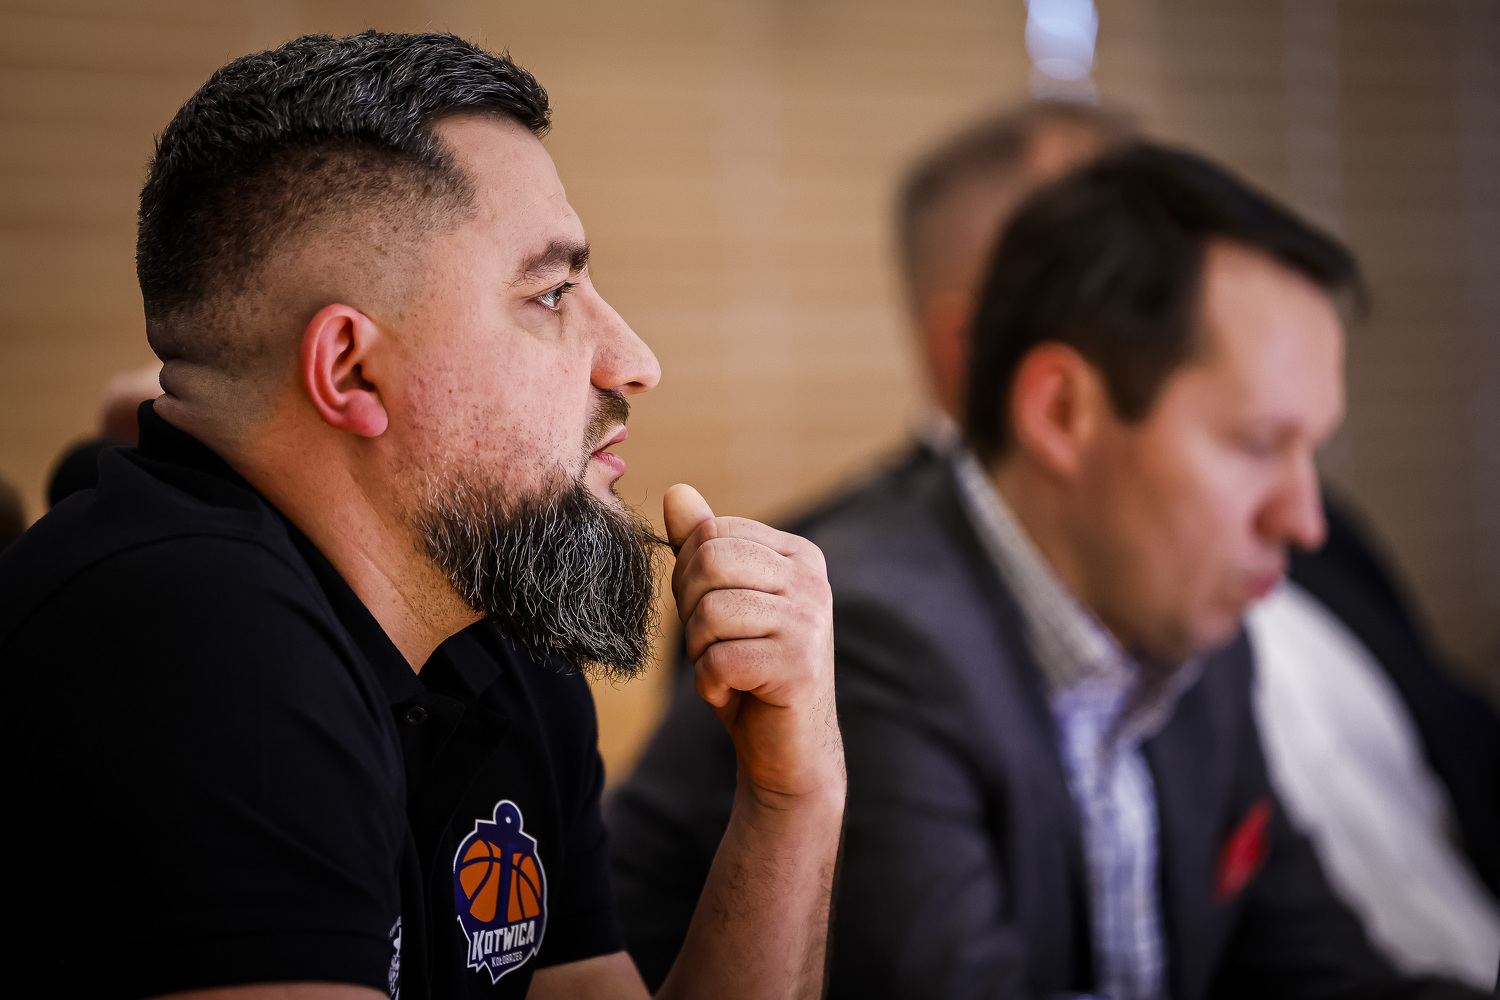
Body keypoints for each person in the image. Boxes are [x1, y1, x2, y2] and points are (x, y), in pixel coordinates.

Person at [0, 31, 845, 1000]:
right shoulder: (193, 642)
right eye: (552, 293)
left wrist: (792, 797)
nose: (635, 361)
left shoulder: (490, 624)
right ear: (351, 370)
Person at [610, 103, 1500, 992]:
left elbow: (1321, 971)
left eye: (1313, 452)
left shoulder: (1189, 630)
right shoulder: (876, 637)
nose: (1305, 522)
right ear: (1062, 412)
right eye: (1259, 444)